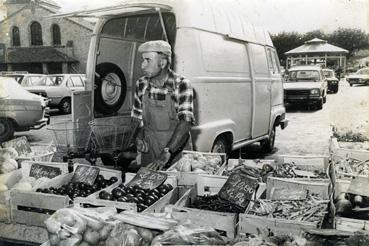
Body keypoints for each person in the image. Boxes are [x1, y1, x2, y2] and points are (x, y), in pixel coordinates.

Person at [130, 40, 194, 170]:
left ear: (163, 63)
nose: (143, 66)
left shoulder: (181, 84)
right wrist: (139, 137)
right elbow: (137, 117)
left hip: (176, 152)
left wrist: (167, 152)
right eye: (143, 60)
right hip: (150, 152)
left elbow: (186, 122)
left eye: (148, 60)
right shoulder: (141, 84)